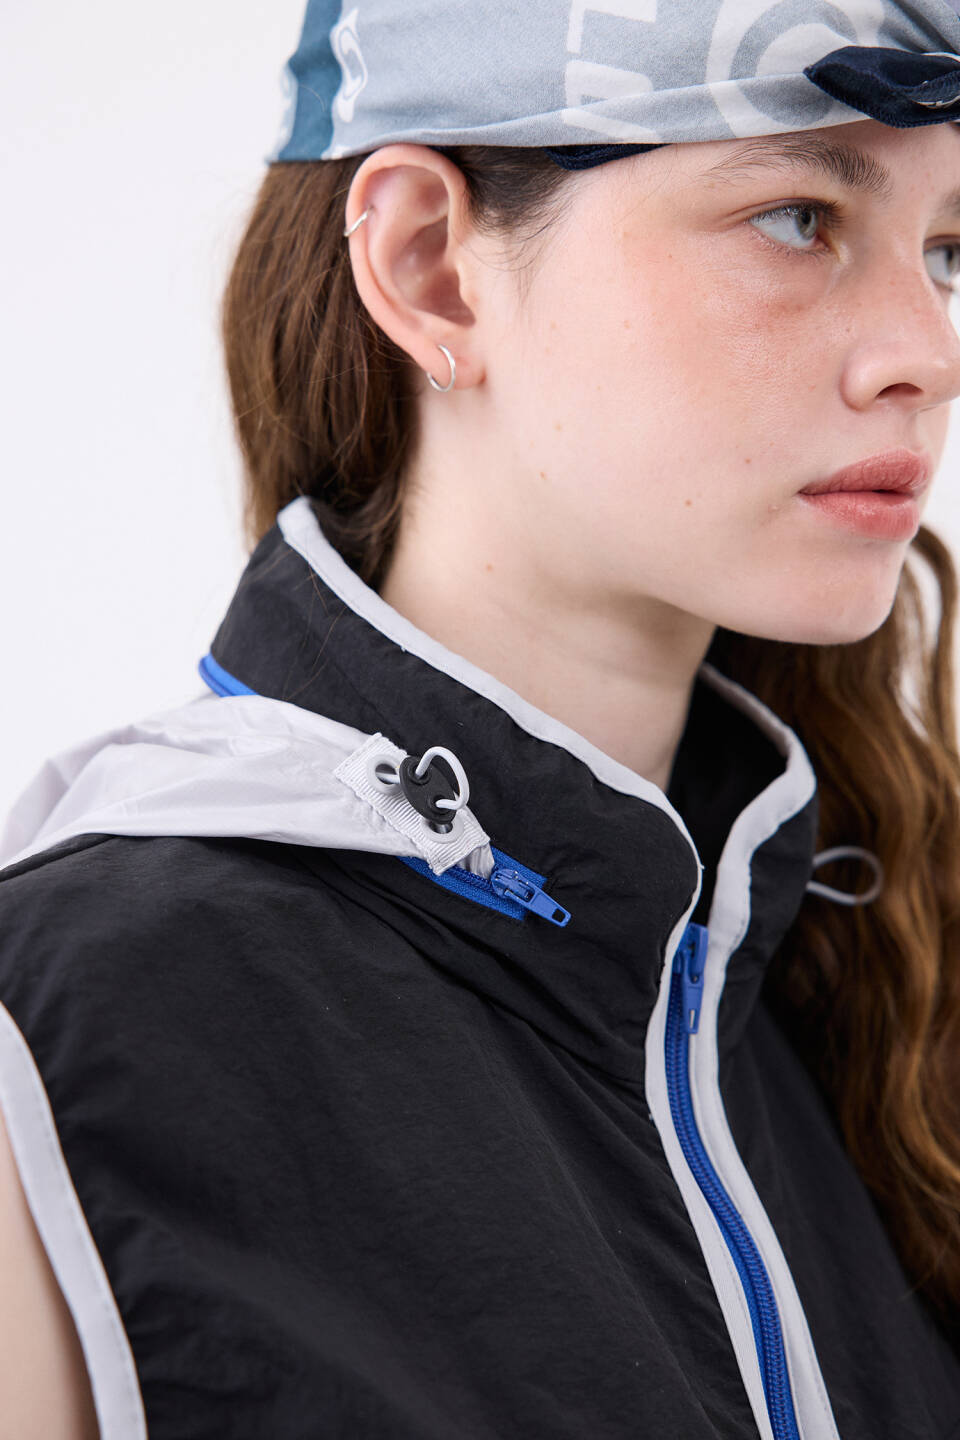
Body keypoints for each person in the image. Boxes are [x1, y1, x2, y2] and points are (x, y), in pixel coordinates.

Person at [3, 1, 960, 1435]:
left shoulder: (878, 978)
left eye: (947, 251)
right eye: (797, 219)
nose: (927, 352)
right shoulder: (59, 1033)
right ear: (431, 268)